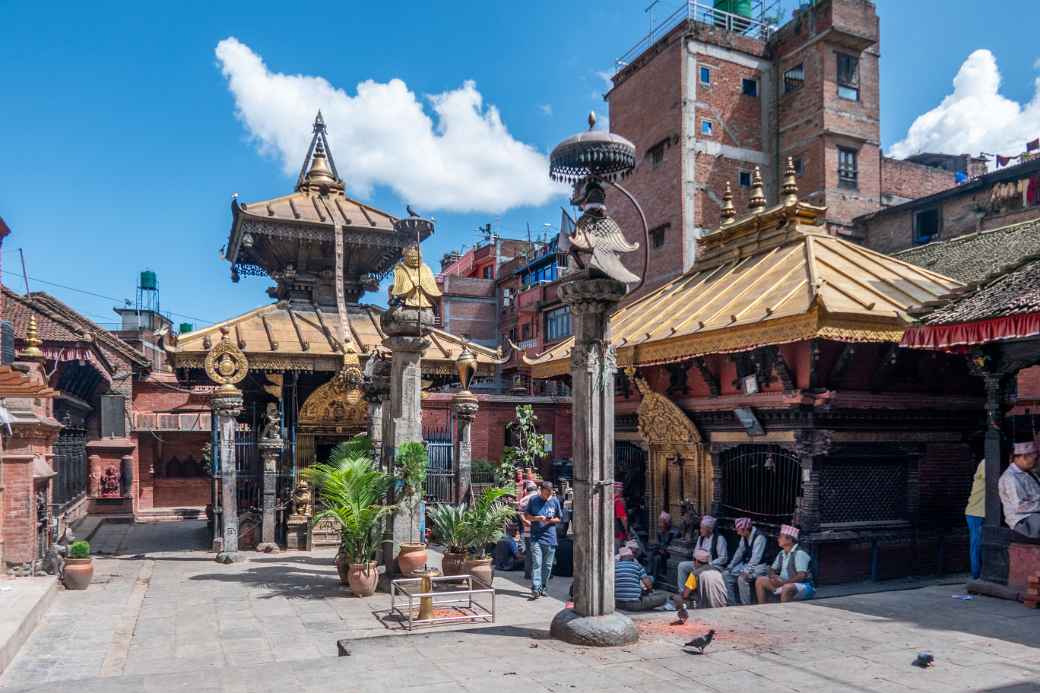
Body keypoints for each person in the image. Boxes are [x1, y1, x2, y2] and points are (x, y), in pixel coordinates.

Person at [755, 525, 814, 603]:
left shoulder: (799, 553)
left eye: (780, 537)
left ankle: (784, 612)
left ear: (789, 539)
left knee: (786, 588)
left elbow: (801, 576)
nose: (778, 539)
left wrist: (783, 583)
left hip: (804, 586)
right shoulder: (781, 553)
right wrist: (773, 577)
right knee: (760, 580)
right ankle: (762, 607)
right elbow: (772, 569)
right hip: (784, 583)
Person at [523, 481, 562, 599]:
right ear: (541, 490)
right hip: (536, 538)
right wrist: (537, 518)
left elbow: (559, 518)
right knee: (537, 563)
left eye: (549, 494)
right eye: (546, 493)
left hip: (550, 538)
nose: (547, 496)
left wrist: (550, 520)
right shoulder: (533, 500)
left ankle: (543, 587)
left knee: (548, 566)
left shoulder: (554, 501)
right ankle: (535, 588)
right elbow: (526, 516)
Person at [998, 441, 1040, 538]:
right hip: (1024, 521)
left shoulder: (1030, 473)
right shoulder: (1010, 478)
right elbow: (1020, 506)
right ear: (1024, 457)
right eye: (1035, 459)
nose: (1036, 462)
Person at [676, 515, 728, 591]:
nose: (700, 530)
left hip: (713, 565)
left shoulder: (719, 539)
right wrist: (696, 561)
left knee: (695, 574)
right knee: (682, 566)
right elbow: (695, 552)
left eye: (702, 528)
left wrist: (709, 563)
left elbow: (723, 558)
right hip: (699, 563)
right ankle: (681, 590)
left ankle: (687, 594)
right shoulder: (701, 538)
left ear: (709, 529)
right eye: (700, 528)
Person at [725, 517, 768, 605]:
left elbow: (756, 559)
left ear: (745, 530)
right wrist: (731, 566)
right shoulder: (744, 536)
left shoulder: (759, 538)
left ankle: (746, 605)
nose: (737, 532)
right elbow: (739, 552)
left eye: (739, 530)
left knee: (742, 578)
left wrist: (746, 571)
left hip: (760, 566)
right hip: (747, 564)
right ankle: (732, 603)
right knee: (726, 575)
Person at [614, 546, 668, 611]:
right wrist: (650, 591)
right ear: (631, 557)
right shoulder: (637, 565)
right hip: (634, 604)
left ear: (621, 558)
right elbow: (648, 584)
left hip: (617, 604)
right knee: (663, 597)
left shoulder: (615, 566)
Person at [964, 459, 985, 579]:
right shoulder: (986, 463)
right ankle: (976, 575)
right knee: (977, 544)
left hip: (982, 512)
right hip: (976, 512)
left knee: (979, 543)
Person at [517, 481, 539, 579]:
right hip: (540, 530)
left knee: (529, 553)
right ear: (537, 489)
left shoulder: (523, 500)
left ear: (526, 490)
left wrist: (525, 521)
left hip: (527, 530)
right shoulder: (539, 498)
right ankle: (540, 574)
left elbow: (520, 514)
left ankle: (528, 573)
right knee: (540, 553)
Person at [650, 512, 680, 578]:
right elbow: (658, 543)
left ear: (667, 523)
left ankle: (652, 576)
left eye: (661, 522)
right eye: (659, 522)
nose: (659, 525)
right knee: (654, 555)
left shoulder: (674, 532)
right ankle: (651, 576)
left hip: (671, 553)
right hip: (661, 551)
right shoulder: (660, 531)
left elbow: (673, 546)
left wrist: (664, 549)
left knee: (656, 557)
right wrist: (659, 548)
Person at [613, 482, 629, 548]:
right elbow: (623, 518)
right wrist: (627, 532)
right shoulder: (619, 501)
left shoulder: (610, 500)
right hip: (618, 533)